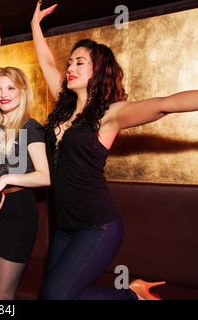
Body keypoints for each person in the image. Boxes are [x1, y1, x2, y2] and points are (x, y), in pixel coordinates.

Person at [32, 1, 198, 300]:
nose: (70, 67)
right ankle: (133, 295)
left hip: (99, 225)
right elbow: (45, 62)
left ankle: (133, 298)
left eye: (79, 62)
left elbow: (164, 104)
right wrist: (35, 25)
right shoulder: (64, 107)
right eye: (69, 62)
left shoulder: (110, 114)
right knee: (58, 296)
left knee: (56, 297)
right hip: (65, 227)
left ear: (98, 69)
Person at [0, 12, 50, 300]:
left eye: (10, 88)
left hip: (18, 215)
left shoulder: (30, 127)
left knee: (2, 295)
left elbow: (45, 176)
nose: (2, 94)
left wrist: (6, 178)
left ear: (22, 91)